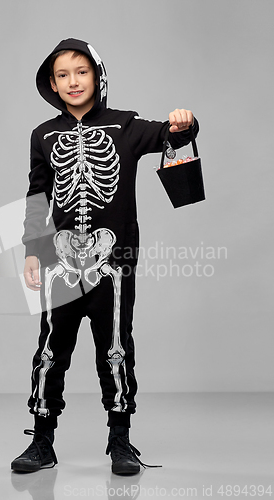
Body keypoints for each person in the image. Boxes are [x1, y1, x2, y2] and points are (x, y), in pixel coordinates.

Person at [11, 38, 199, 476]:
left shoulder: (125, 126)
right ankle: (42, 442)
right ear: (52, 85)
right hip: (59, 260)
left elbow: (173, 134)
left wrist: (184, 122)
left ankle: (120, 441)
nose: (73, 81)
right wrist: (32, 251)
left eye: (81, 71)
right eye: (62, 75)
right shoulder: (44, 134)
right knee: (50, 350)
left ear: (97, 75)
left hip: (114, 260)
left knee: (115, 347)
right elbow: (37, 194)